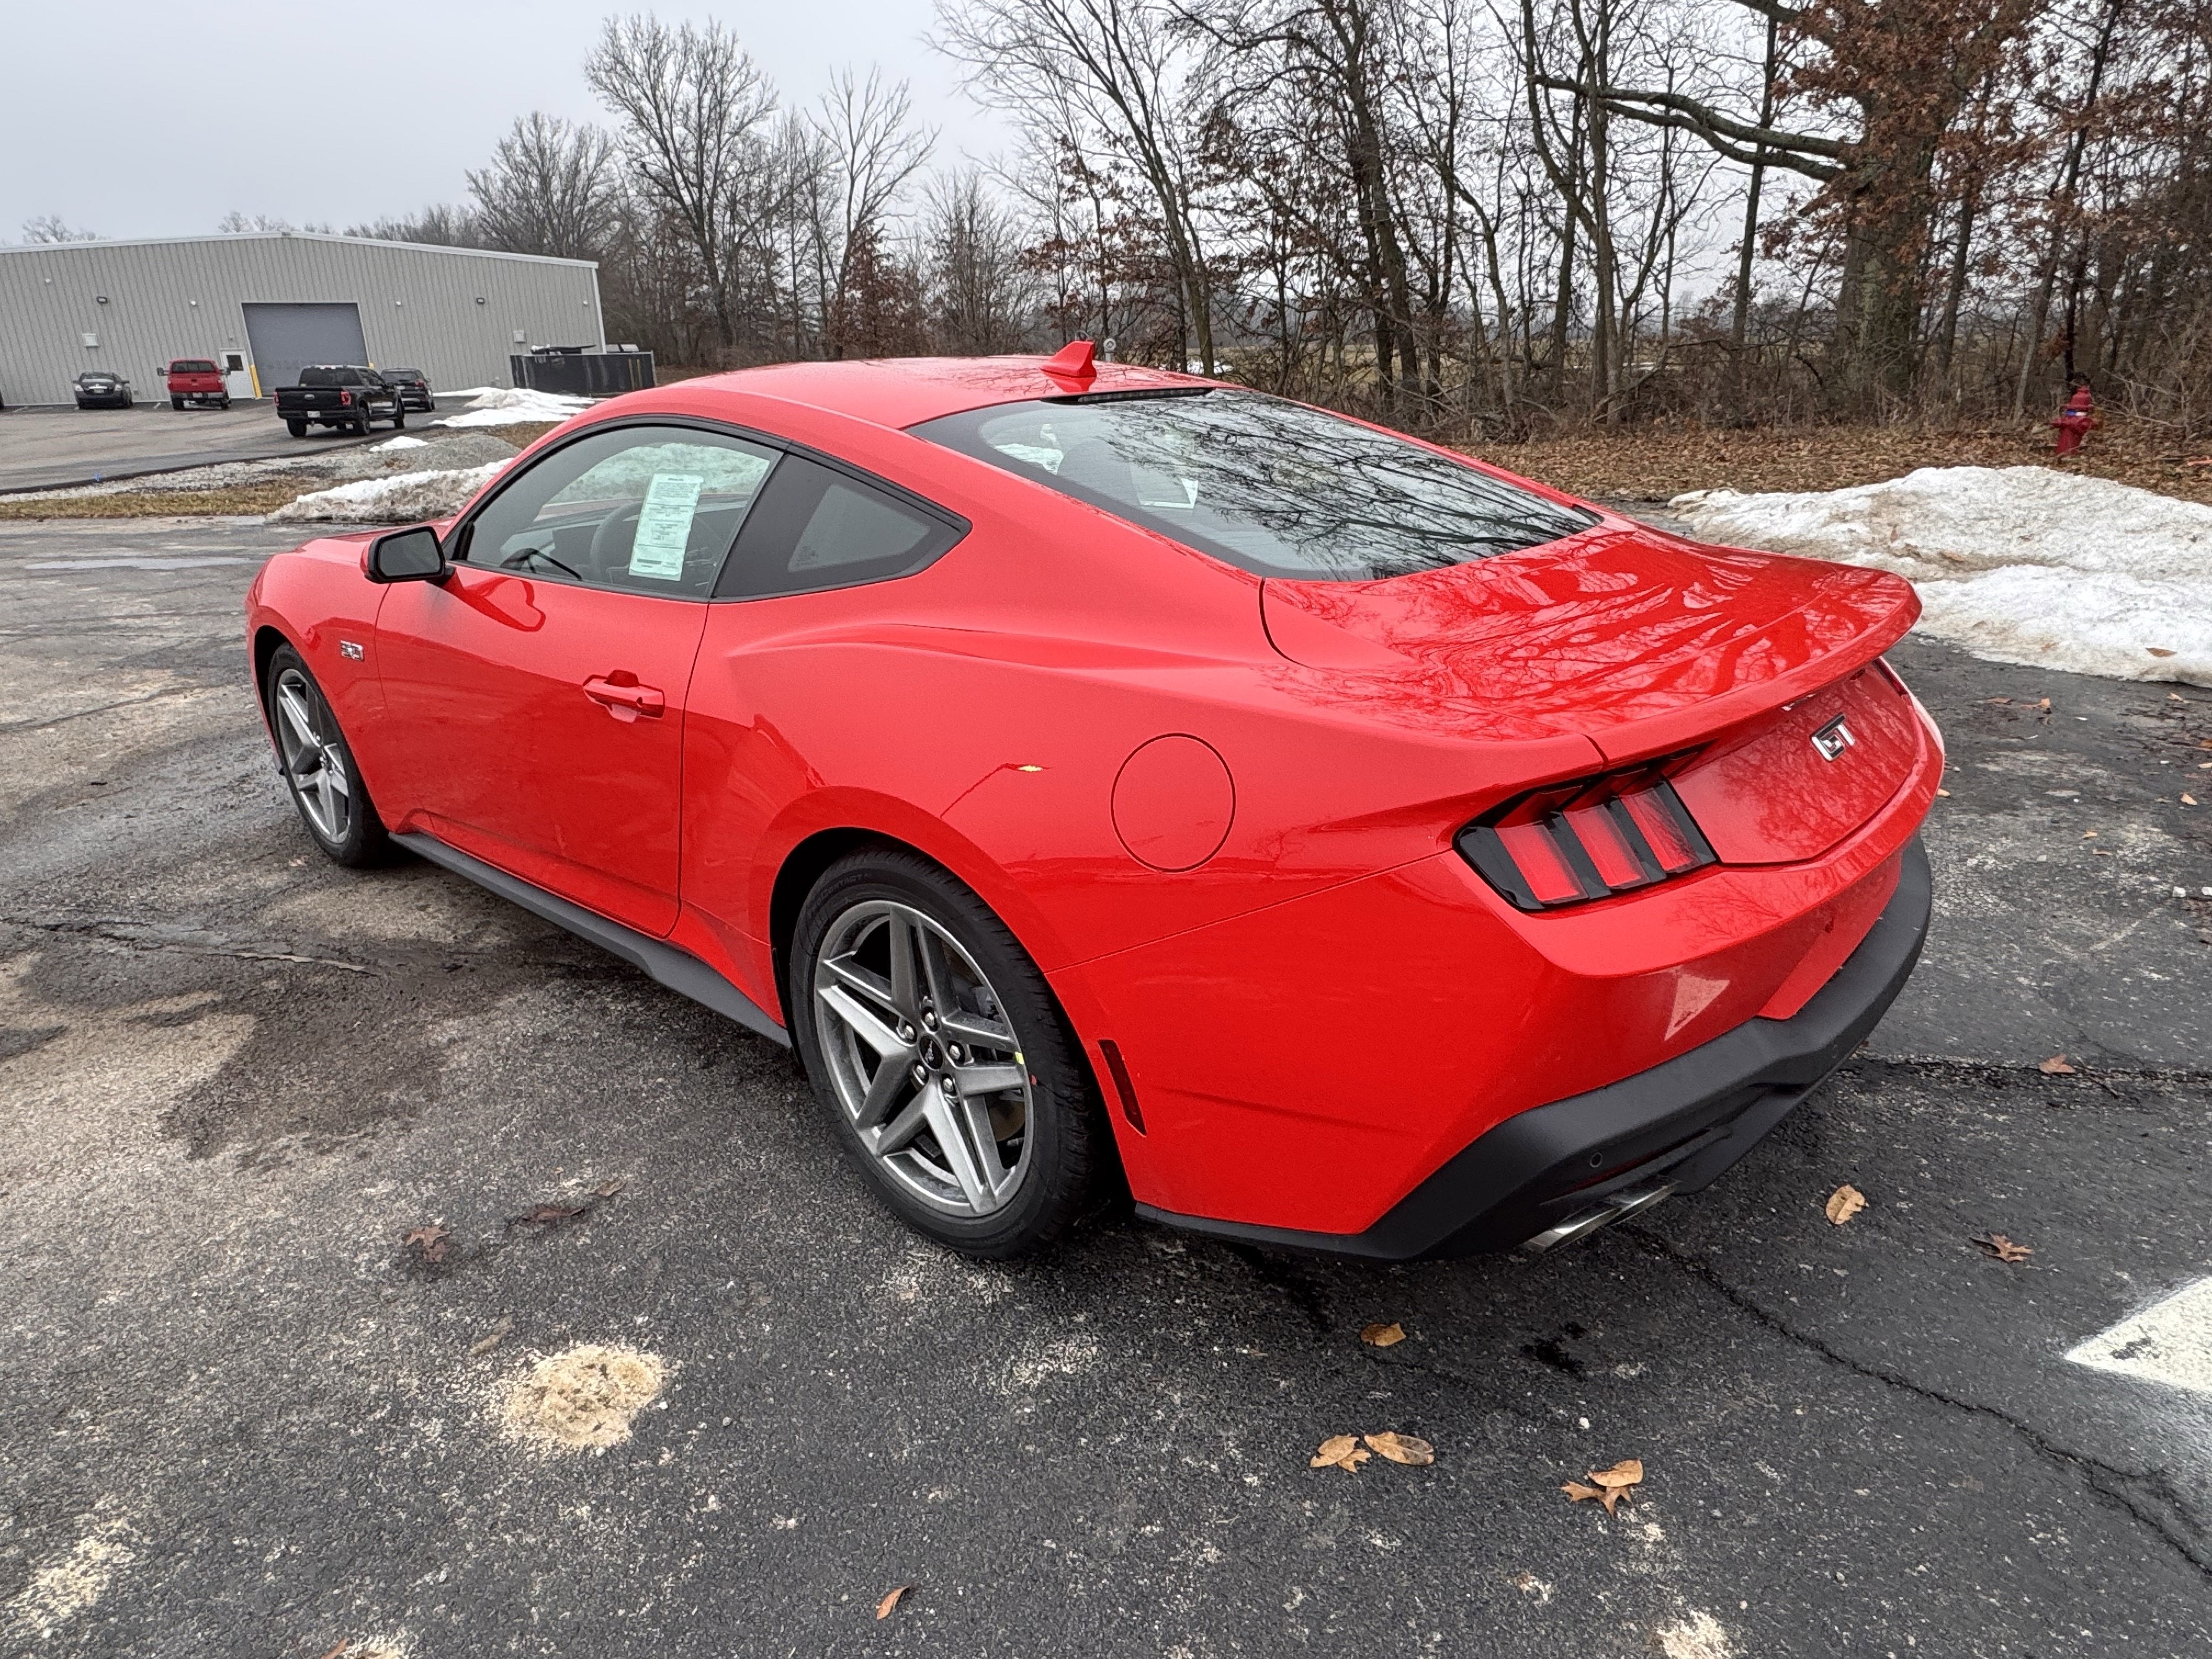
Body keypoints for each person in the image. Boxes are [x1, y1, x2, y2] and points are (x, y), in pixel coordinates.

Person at [2052, 377, 2099, 456]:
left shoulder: (2080, 421)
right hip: (2074, 417)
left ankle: (2066, 454)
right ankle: (2068, 454)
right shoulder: (2082, 421)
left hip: (2073, 417)